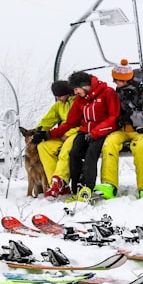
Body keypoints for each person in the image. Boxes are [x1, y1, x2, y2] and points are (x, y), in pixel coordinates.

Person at [49, 70, 120, 199]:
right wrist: (49, 134)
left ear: (85, 85)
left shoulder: (107, 92)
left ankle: (88, 186)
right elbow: (70, 122)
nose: (75, 93)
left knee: (91, 152)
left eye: (77, 89)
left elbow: (113, 117)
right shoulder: (80, 100)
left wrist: (95, 133)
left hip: (103, 130)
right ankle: (76, 188)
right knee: (74, 153)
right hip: (85, 131)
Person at [96, 59, 143, 199]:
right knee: (109, 143)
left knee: (141, 147)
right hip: (122, 131)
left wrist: (130, 117)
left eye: (117, 80)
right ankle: (109, 184)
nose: (115, 82)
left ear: (126, 79)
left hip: (141, 131)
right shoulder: (117, 93)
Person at [28, 80, 79, 198]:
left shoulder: (78, 102)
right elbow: (48, 120)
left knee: (66, 149)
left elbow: (84, 122)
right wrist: (37, 132)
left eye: (61, 96)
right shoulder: (58, 106)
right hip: (62, 134)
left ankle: (61, 180)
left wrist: (70, 133)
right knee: (43, 146)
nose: (59, 98)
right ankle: (55, 185)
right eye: (57, 97)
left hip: (77, 134)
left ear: (68, 92)